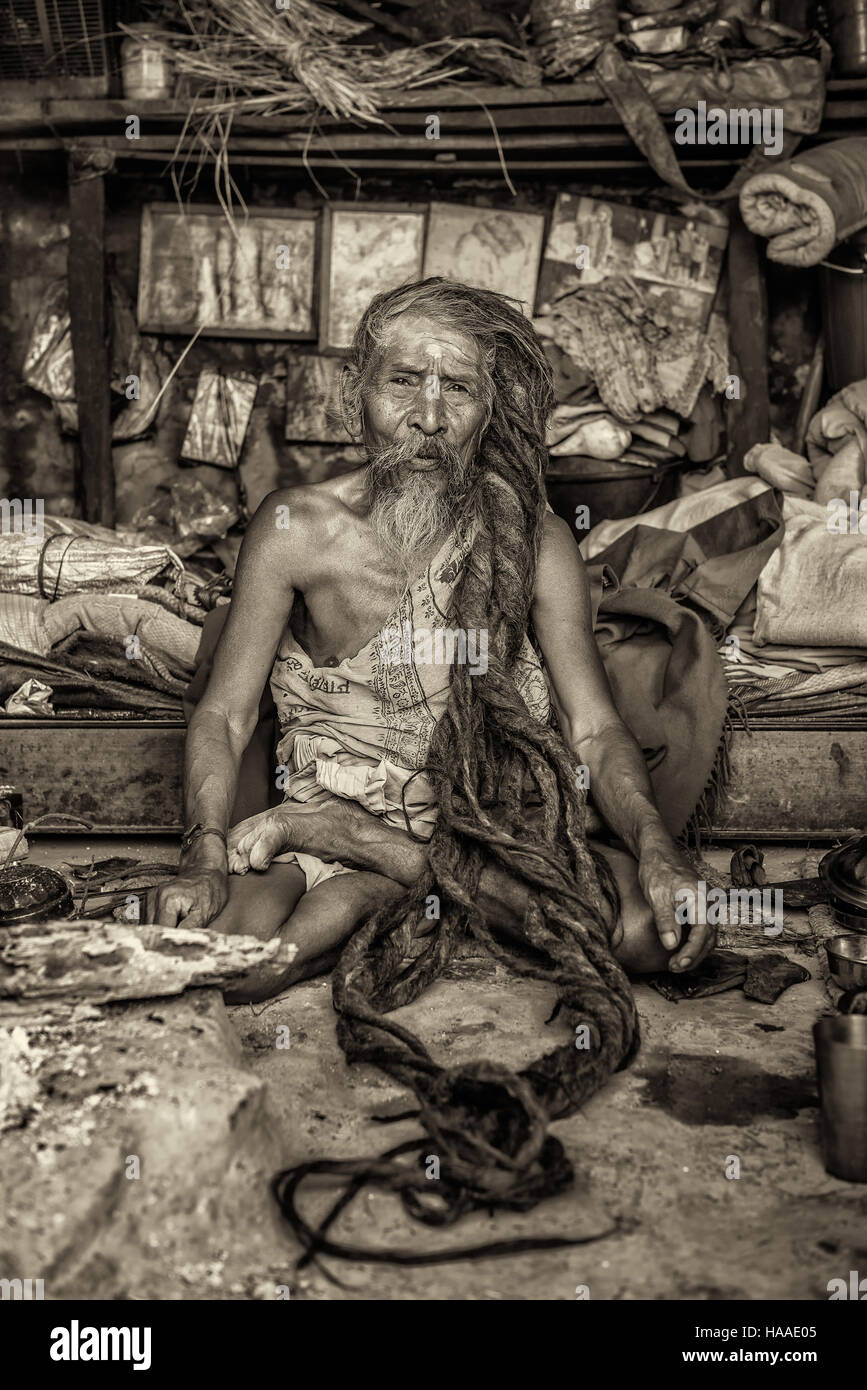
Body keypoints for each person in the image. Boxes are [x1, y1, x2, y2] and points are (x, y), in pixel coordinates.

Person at [153, 278, 713, 1002]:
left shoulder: (529, 538)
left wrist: (656, 849)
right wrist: (200, 855)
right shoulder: (296, 527)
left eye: (457, 388)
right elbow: (224, 715)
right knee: (229, 961)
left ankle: (374, 861)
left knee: (654, 935)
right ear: (357, 389)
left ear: (491, 407)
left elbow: (593, 727)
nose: (427, 417)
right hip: (333, 791)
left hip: (486, 825)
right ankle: (368, 864)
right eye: (403, 382)